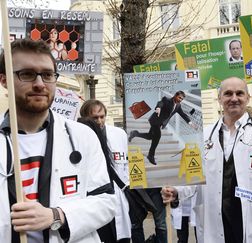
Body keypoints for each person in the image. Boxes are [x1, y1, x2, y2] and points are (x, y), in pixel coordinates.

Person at [0, 39, 115, 242]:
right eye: (26, 74)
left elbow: (106, 201)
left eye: (47, 74)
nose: (39, 83)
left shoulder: (82, 136)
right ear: (4, 80)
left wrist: (56, 215)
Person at [162, 77, 252, 242]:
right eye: (228, 93)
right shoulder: (204, 136)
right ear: (220, 98)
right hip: (214, 225)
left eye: (239, 93)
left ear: (248, 98)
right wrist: (177, 191)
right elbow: (194, 178)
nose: (234, 98)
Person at [79, 100, 131, 243]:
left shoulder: (119, 134)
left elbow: (128, 164)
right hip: (93, 201)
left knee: (122, 237)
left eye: (102, 116)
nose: (100, 121)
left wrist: (126, 187)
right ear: (85, 118)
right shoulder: (79, 139)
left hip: (118, 198)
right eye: (95, 118)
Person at [128, 91, 196, 165]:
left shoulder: (178, 106)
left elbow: (183, 114)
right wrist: (158, 108)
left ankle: (135, 133)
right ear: (175, 95)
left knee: (150, 136)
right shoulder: (166, 99)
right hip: (155, 120)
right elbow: (160, 103)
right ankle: (150, 155)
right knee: (157, 136)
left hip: (160, 123)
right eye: (179, 97)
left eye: (182, 99)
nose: (180, 100)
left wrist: (190, 122)